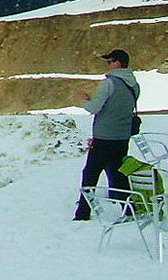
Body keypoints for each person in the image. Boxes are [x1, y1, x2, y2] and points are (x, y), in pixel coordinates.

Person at [72, 48, 139, 221]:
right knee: (117, 173)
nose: (107, 65)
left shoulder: (109, 83)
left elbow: (95, 108)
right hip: (122, 137)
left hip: (104, 138)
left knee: (90, 173)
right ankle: (129, 208)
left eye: (109, 62)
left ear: (117, 63)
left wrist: (83, 101)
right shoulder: (134, 85)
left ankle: (83, 211)